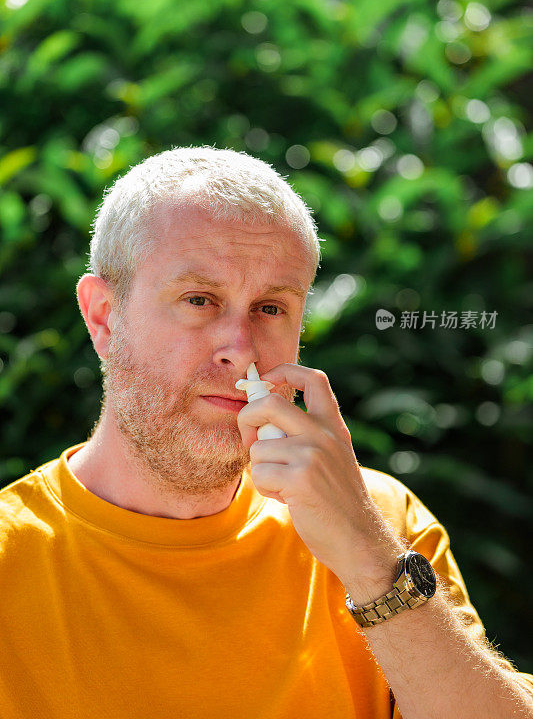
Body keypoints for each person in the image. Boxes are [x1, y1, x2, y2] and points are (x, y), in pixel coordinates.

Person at [0, 146, 531, 719]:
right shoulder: (12, 561)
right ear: (104, 315)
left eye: (271, 308)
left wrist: (367, 558)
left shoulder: (380, 521)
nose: (243, 352)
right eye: (199, 300)